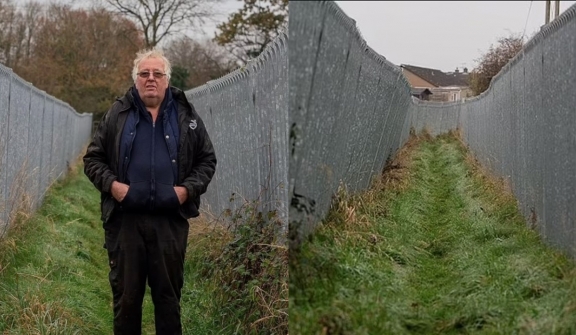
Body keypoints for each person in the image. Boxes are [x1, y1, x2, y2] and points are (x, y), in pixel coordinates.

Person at [83, 47, 217, 334]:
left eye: (158, 73)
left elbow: (207, 160)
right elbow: (93, 159)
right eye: (144, 74)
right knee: (127, 300)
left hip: (170, 223)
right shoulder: (117, 114)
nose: (151, 78)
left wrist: (185, 192)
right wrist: (115, 187)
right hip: (125, 223)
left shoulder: (186, 116)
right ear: (136, 80)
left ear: (167, 79)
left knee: (168, 301)